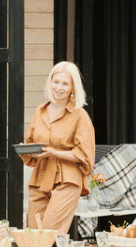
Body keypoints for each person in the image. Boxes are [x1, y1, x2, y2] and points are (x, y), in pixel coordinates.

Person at [20, 61, 96, 233]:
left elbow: (85, 155)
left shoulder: (79, 115)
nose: (59, 87)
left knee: (48, 233)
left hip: (67, 178)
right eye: (56, 82)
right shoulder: (40, 111)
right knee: (32, 232)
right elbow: (31, 144)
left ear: (73, 88)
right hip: (40, 176)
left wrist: (55, 153)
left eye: (65, 83)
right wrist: (27, 150)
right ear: (50, 82)